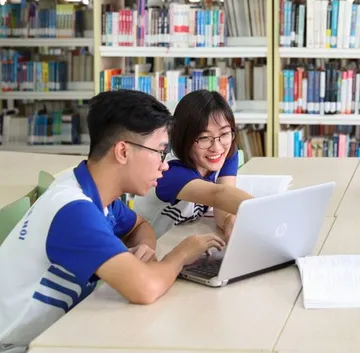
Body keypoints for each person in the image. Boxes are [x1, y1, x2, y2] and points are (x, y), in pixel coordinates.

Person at [0, 90, 227, 353]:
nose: (164, 166)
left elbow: (140, 226)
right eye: (160, 152)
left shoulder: (94, 194)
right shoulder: (73, 211)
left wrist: (146, 250)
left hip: (63, 329)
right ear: (122, 151)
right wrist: (182, 254)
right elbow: (145, 289)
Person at [133, 90, 253, 241]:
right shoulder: (169, 172)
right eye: (204, 138)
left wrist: (229, 220)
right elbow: (218, 195)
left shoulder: (226, 153)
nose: (217, 147)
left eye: (224, 134)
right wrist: (266, 212)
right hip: (152, 249)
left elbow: (223, 205)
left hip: (181, 241)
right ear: (184, 138)